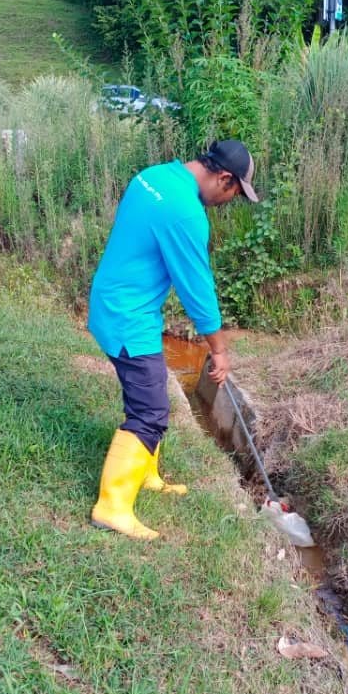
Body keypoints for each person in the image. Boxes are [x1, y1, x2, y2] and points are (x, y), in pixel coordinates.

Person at [87, 139, 259, 540]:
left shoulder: (154, 176)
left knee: (148, 397)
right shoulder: (185, 213)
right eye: (235, 192)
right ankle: (112, 507)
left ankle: (145, 474)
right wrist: (218, 350)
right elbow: (197, 292)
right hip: (128, 318)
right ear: (224, 178)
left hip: (114, 302)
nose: (229, 201)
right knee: (149, 412)